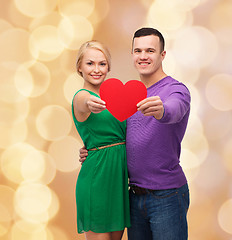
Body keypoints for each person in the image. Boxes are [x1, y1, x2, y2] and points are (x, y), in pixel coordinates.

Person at [80, 28, 191, 240]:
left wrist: (162, 110)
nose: (143, 56)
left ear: (163, 55)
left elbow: (175, 109)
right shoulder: (129, 95)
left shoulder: (176, 90)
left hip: (166, 195)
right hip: (132, 196)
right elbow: (120, 136)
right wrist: (93, 149)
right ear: (132, 54)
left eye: (150, 50)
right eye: (138, 50)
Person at [72, 40, 130, 240]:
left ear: (108, 67)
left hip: (118, 182)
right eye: (90, 63)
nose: (96, 69)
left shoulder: (117, 98)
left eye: (102, 64)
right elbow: (81, 103)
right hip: (97, 180)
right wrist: (89, 102)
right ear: (79, 66)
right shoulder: (82, 96)